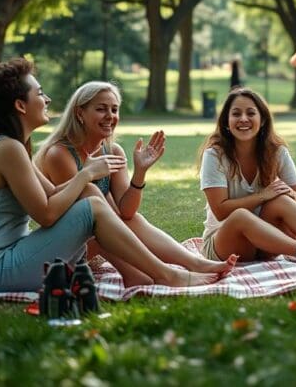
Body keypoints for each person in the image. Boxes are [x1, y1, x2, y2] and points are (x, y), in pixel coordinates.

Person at [0, 59, 206, 292]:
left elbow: (53, 193)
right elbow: (46, 214)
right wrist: (86, 174)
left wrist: (89, 179)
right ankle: (166, 275)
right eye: (40, 93)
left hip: (2, 264)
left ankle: (147, 274)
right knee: (92, 201)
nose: (48, 99)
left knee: (90, 194)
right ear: (20, 105)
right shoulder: (8, 149)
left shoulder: (8, 144)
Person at [35, 81, 236, 287]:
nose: (110, 116)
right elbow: (80, 218)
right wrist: (87, 172)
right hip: (70, 247)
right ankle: (143, 275)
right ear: (80, 113)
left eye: (114, 109)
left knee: (133, 219)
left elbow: (127, 213)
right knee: (92, 194)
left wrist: (139, 173)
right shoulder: (60, 154)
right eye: (101, 109)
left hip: (101, 243)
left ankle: (195, 264)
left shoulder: (112, 151)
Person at [198, 87, 296, 262]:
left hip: (267, 244)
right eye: (236, 114)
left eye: (251, 113)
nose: (244, 119)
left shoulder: (277, 152)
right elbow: (221, 211)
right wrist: (262, 196)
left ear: (262, 120)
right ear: (226, 121)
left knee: (281, 200)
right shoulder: (214, 155)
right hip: (225, 244)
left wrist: (287, 193)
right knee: (241, 216)